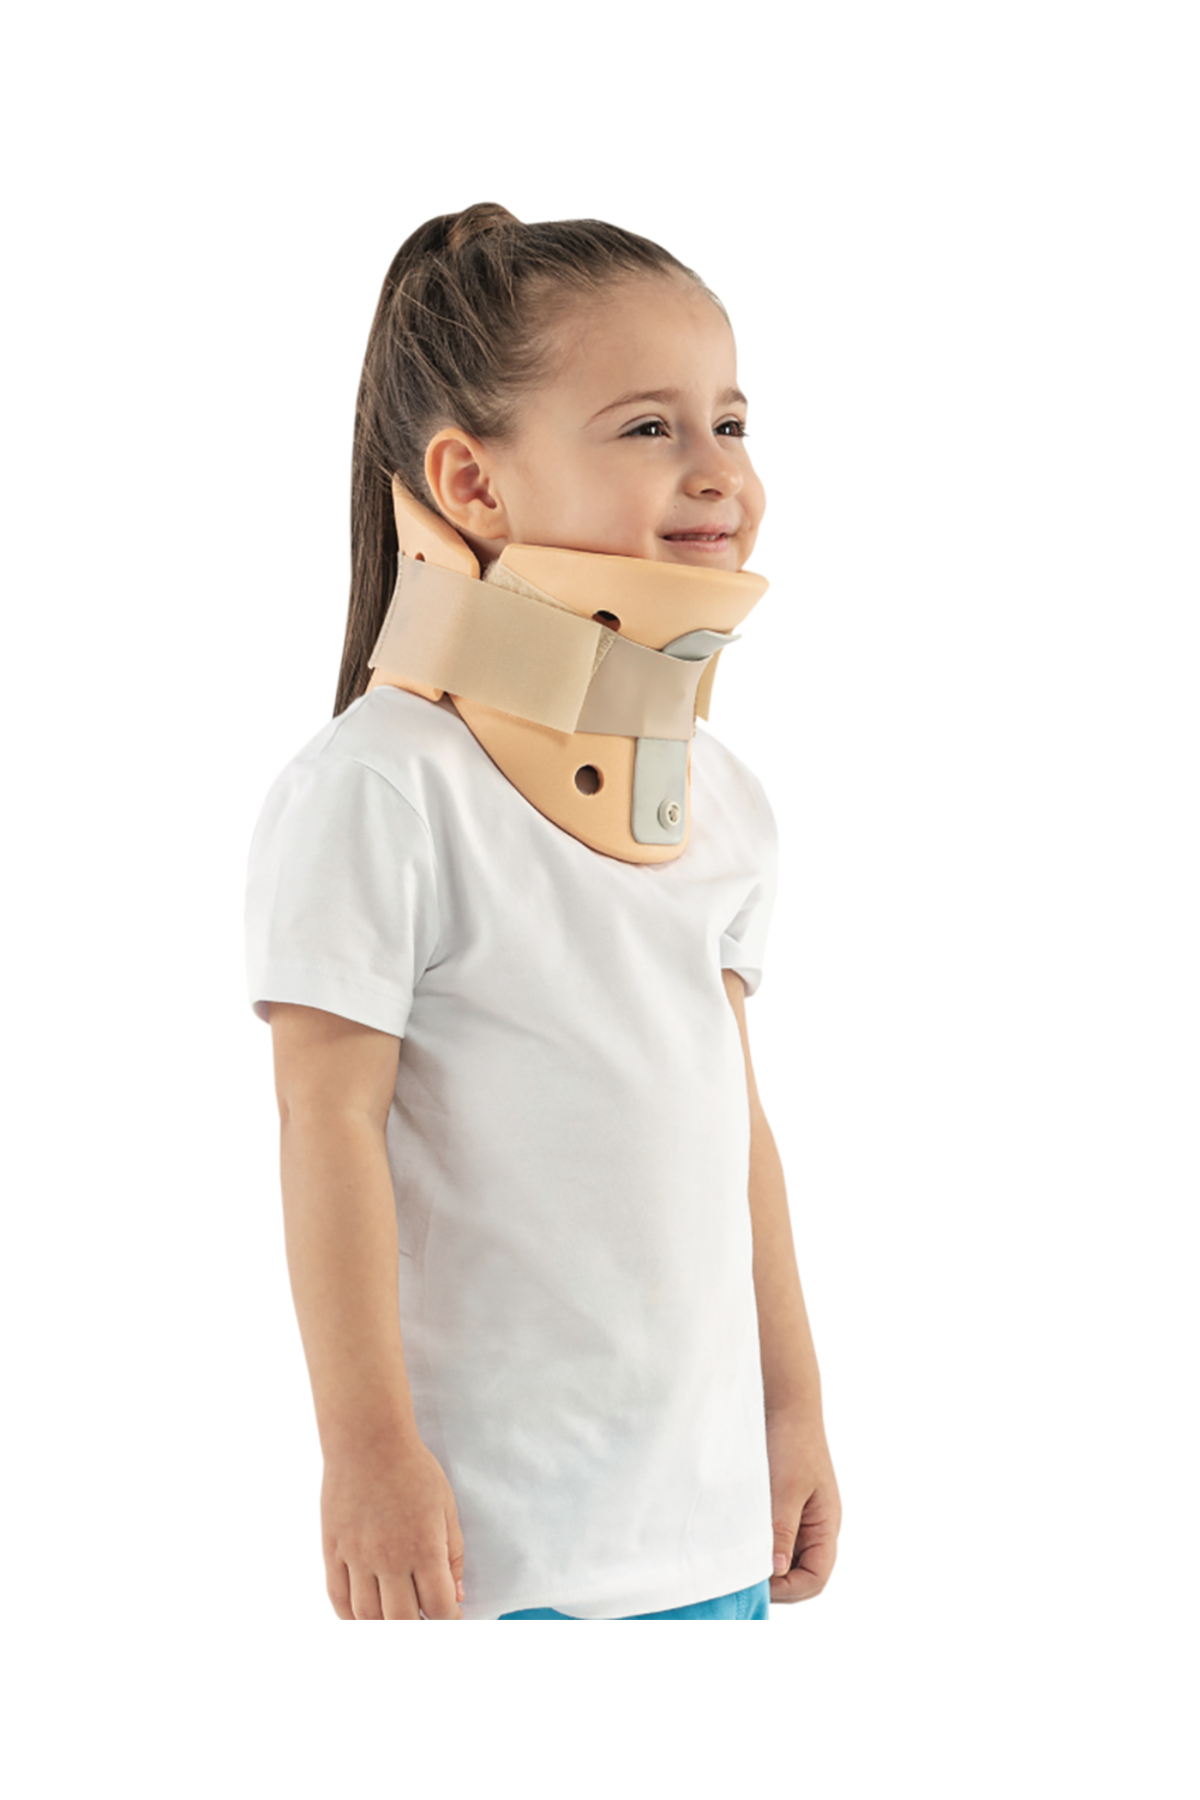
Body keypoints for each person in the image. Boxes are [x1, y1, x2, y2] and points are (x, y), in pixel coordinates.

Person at [243, 204, 842, 1620]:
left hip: (706, 1530)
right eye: (649, 428)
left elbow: (735, 1130)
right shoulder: (382, 786)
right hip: (488, 1541)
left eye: (731, 421)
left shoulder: (717, 798)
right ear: (472, 483)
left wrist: (793, 1409)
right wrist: (364, 1452)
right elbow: (325, 1126)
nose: (717, 468)